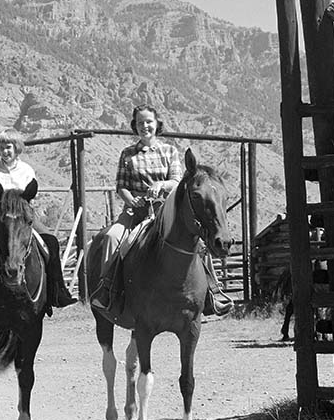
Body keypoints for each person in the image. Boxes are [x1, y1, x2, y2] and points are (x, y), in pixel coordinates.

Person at [90, 105, 231, 320]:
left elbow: (176, 180)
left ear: (157, 124)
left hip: (165, 212)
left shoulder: (169, 151)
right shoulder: (127, 154)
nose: (144, 126)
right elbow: (121, 186)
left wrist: (161, 185)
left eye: (148, 122)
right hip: (134, 213)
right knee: (111, 237)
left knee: (199, 243)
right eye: (139, 123)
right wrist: (132, 201)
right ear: (134, 127)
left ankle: (213, 291)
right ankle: (107, 291)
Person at [0, 128, 75, 316]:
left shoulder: (27, 170)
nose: (5, 151)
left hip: (23, 219)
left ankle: (56, 292)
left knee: (50, 241)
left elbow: (30, 197)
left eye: (8, 147)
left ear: (16, 147)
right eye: (1, 147)